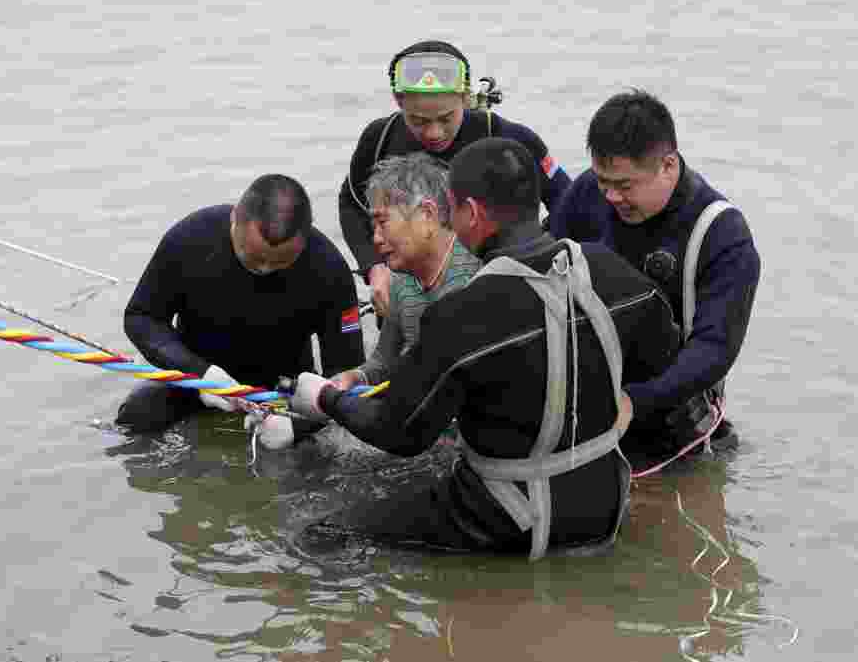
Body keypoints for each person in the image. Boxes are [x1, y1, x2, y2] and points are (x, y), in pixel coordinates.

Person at [281, 137, 680, 560]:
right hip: (603, 503)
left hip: (507, 515)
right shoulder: (612, 272)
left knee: (321, 535)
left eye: (453, 209)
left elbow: (398, 433)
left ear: (471, 213)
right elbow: (661, 357)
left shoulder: (461, 313)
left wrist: (324, 398)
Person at [550, 89, 761, 469]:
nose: (611, 196)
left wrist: (635, 401)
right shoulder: (585, 193)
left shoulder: (722, 233)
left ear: (667, 165)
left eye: (625, 185)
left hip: (671, 424)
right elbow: (542, 271)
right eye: (603, 181)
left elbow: (714, 349)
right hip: (584, 405)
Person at [339, 40, 570, 321]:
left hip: (496, 299)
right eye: (419, 121)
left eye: (446, 118)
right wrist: (374, 267)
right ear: (398, 101)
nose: (434, 132)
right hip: (407, 304)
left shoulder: (507, 139)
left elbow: (567, 202)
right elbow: (351, 204)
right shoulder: (379, 139)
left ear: (465, 98)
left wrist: (541, 263)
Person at [116, 174, 364, 432]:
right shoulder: (191, 238)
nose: (264, 269)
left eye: (280, 263)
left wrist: (298, 429)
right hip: (196, 376)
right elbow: (141, 317)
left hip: (281, 386)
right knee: (137, 413)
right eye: (251, 257)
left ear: (304, 241)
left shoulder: (329, 269)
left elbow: (344, 378)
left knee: (302, 452)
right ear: (235, 217)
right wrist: (199, 373)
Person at [329, 152, 481, 392]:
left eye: (383, 222)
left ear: (427, 215)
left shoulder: (478, 272)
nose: (376, 239)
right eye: (373, 226)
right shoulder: (402, 280)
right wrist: (353, 378)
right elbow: (383, 362)